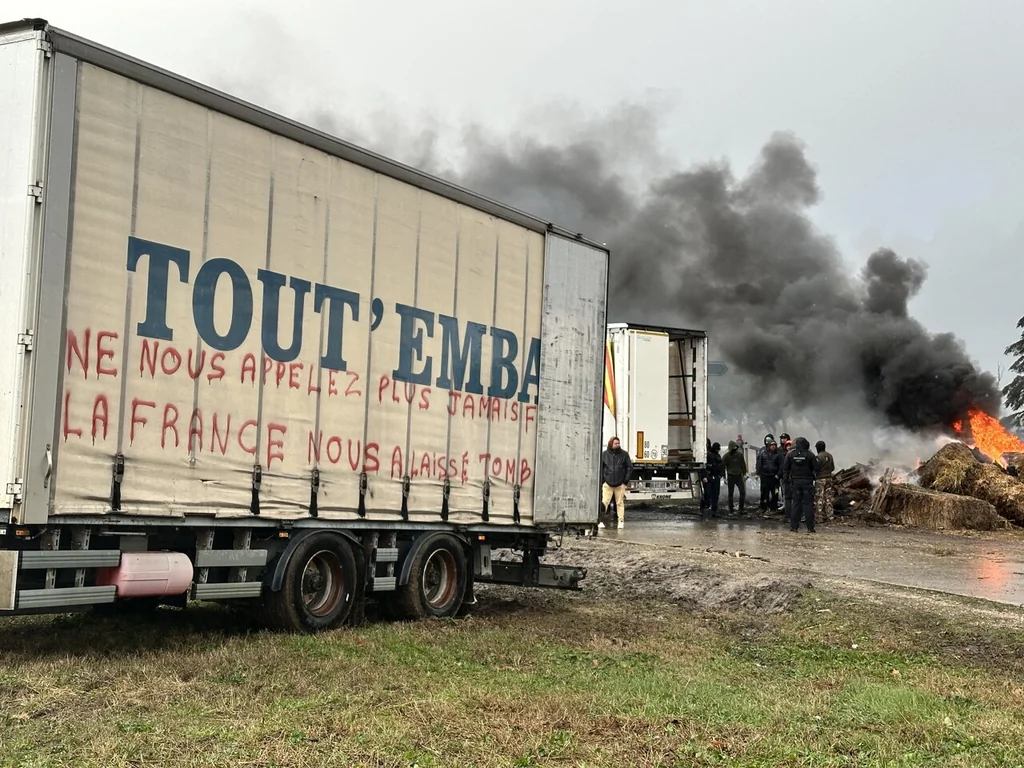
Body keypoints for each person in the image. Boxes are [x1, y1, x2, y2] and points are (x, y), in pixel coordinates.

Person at [783, 437, 821, 532]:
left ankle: (794, 527)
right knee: (808, 504)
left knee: (796, 504)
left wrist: (786, 480)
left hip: (795, 482)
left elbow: (785, 468)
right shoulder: (810, 455)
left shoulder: (790, 454)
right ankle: (810, 528)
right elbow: (817, 468)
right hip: (807, 482)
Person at [600, 436, 632, 530]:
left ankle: (621, 521)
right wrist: (603, 480)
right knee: (604, 502)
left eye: (618, 443)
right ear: (611, 444)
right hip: (608, 483)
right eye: (616, 443)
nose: (617, 445)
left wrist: (625, 481)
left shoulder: (624, 454)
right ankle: (600, 520)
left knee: (620, 503)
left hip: (620, 483)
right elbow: (601, 468)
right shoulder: (604, 454)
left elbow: (629, 468)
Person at [756, 440, 782, 511]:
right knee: (764, 493)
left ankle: (774, 507)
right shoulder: (763, 453)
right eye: (772, 445)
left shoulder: (778, 454)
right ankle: (764, 507)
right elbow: (759, 464)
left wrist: (778, 474)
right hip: (765, 477)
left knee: (775, 492)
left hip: (775, 478)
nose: (773, 446)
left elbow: (781, 466)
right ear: (768, 446)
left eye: (775, 445)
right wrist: (757, 473)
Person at [722, 440, 748, 513]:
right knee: (731, 493)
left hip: (739, 475)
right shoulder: (726, 456)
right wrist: (724, 477)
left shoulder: (739, 455)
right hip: (731, 476)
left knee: (742, 492)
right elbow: (722, 467)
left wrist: (745, 473)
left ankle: (741, 508)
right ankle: (731, 509)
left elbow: (743, 465)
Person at [814, 440, 836, 521]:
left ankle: (819, 517)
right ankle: (830, 516)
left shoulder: (818, 457)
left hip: (820, 479)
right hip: (829, 478)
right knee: (828, 497)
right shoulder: (830, 456)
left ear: (818, 448)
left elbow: (816, 468)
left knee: (819, 497)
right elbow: (833, 468)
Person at [702, 442, 725, 518]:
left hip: (715, 477)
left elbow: (721, 467)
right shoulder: (707, 456)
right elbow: (703, 467)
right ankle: (705, 508)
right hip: (708, 477)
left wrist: (720, 476)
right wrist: (704, 477)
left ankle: (714, 511)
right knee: (707, 494)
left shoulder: (718, 456)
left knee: (715, 495)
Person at [779, 437, 793, 517]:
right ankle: (787, 512)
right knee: (785, 494)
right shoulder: (783, 455)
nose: (788, 447)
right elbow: (782, 467)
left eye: (790, 445)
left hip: (794, 479)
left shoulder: (794, 455)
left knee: (794, 496)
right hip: (785, 478)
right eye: (787, 446)